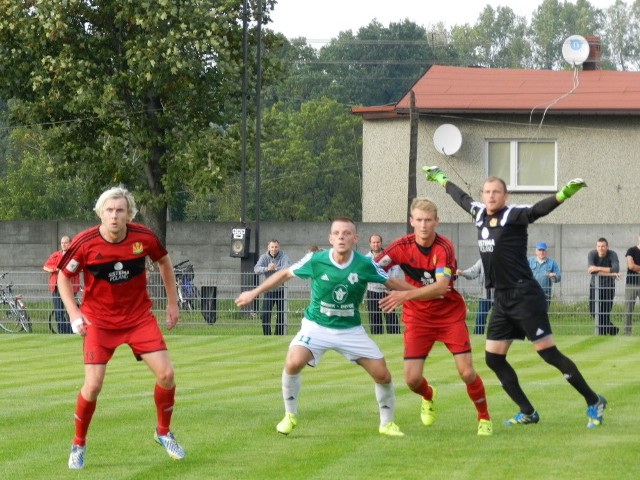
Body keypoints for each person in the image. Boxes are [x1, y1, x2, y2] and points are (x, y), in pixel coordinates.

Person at [424, 166, 607, 428]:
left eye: (496, 192)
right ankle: (528, 411)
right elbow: (461, 197)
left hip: (525, 295)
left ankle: (593, 400)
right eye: (487, 191)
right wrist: (441, 179)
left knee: (548, 353)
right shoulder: (478, 213)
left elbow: (537, 210)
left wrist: (564, 193)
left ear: (505, 195)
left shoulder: (513, 215)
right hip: (501, 298)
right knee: (493, 358)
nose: (491, 196)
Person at [235, 217, 409, 437]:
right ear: (330, 238)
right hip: (316, 327)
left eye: (346, 233)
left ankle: (386, 423)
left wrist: (422, 293)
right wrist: (253, 293)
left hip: (350, 330)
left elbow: (392, 282)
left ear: (355, 239)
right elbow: (284, 273)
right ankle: (289, 415)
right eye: (336, 233)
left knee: (382, 374)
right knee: (293, 361)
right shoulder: (316, 260)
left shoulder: (365, 264)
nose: (341, 237)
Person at [57, 186, 185, 470]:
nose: (114, 216)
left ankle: (163, 433)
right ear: (100, 213)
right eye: (109, 210)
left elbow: (164, 261)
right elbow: (63, 278)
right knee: (93, 385)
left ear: (129, 214)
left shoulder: (144, 238)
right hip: (98, 322)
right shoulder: (84, 242)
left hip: (138, 318)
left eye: (120, 210)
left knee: (166, 374)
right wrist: (74, 313)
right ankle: (78, 443)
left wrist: (172, 302)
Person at [376, 199, 493, 436]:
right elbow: (373, 268)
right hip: (417, 317)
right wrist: (399, 286)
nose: (423, 225)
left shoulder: (443, 247)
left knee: (467, 372)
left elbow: (441, 288)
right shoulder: (400, 246)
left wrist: (405, 295)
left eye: (428, 220)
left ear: (436, 222)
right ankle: (429, 395)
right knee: (411, 380)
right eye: (418, 220)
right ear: (411, 221)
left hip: (448, 315)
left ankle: (484, 418)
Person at [43, 235, 80, 334]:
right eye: (62, 243)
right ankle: (62, 332)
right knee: (58, 311)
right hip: (56, 287)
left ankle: (71, 331)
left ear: (70, 243)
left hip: (70, 287)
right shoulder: (55, 255)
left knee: (70, 311)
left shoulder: (75, 255)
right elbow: (46, 266)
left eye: (65, 243)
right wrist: (54, 269)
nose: (63, 245)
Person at [254, 239, 292, 335]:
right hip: (268, 290)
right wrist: (267, 268)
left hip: (281, 290)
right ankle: (267, 335)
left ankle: (278, 335)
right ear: (268, 247)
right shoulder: (264, 257)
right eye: (272, 247)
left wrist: (275, 268)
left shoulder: (283, 257)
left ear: (279, 247)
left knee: (281, 314)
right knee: (265, 314)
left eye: (276, 247)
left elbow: (287, 268)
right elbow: (256, 269)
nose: (274, 249)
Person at [365, 234, 401, 334]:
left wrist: (389, 283)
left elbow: (395, 270)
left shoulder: (389, 256)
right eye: (373, 242)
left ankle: (394, 337)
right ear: (370, 244)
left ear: (381, 243)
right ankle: (377, 337)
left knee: (391, 317)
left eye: (378, 242)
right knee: (374, 317)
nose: (376, 244)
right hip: (372, 291)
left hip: (387, 291)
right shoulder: (366, 259)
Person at [588, 238, 620, 336]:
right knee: (593, 312)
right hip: (594, 286)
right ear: (596, 247)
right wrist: (611, 274)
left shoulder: (612, 254)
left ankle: (601, 333)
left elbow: (616, 268)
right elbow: (591, 271)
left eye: (603, 246)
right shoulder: (592, 254)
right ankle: (612, 329)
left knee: (605, 311)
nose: (601, 248)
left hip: (609, 287)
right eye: (599, 246)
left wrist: (597, 268)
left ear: (607, 247)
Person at [457, 259, 491, 335]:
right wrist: (463, 273)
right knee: (480, 318)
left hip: (500, 295)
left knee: (504, 319)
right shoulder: (482, 260)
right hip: (484, 294)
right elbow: (473, 271)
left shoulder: (503, 256)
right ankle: (477, 336)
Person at [528, 242, 561, 308]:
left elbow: (559, 277)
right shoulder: (529, 261)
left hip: (545, 294)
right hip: (531, 293)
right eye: (539, 250)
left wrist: (554, 276)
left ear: (546, 252)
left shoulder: (552, 263)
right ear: (536, 252)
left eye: (543, 250)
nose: (541, 252)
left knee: (543, 314)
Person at [623, 235, 640, 335]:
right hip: (631, 284)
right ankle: (627, 333)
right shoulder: (631, 251)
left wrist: (636, 267)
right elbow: (631, 266)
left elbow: (634, 266)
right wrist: (635, 267)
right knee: (628, 310)